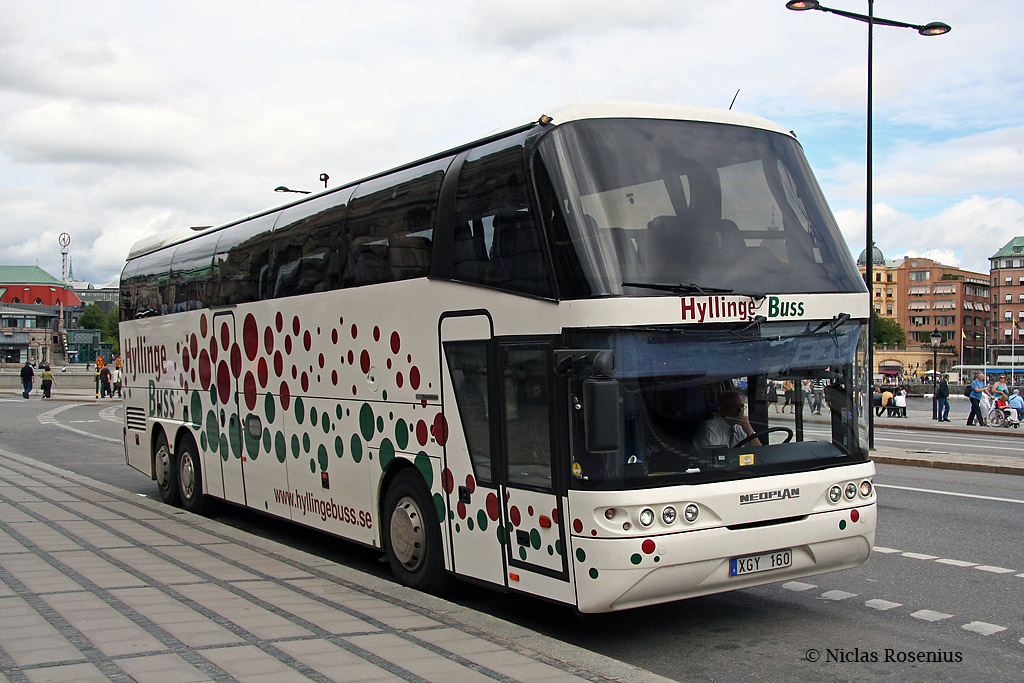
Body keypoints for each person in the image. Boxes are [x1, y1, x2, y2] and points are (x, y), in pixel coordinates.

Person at [694, 390, 762, 451]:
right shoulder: (710, 428)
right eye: (734, 406)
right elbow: (712, 457)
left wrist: (750, 430)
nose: (740, 411)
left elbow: (759, 452)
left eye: (742, 406)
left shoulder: (741, 426)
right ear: (722, 408)